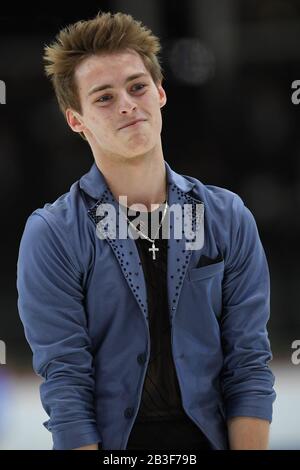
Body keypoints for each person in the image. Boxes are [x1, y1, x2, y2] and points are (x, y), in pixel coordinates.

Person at [17, 11, 276, 451]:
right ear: (75, 120)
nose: (126, 104)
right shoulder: (52, 234)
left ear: (159, 93)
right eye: (103, 97)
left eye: (137, 87)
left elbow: (248, 363)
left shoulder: (227, 216)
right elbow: (66, 384)